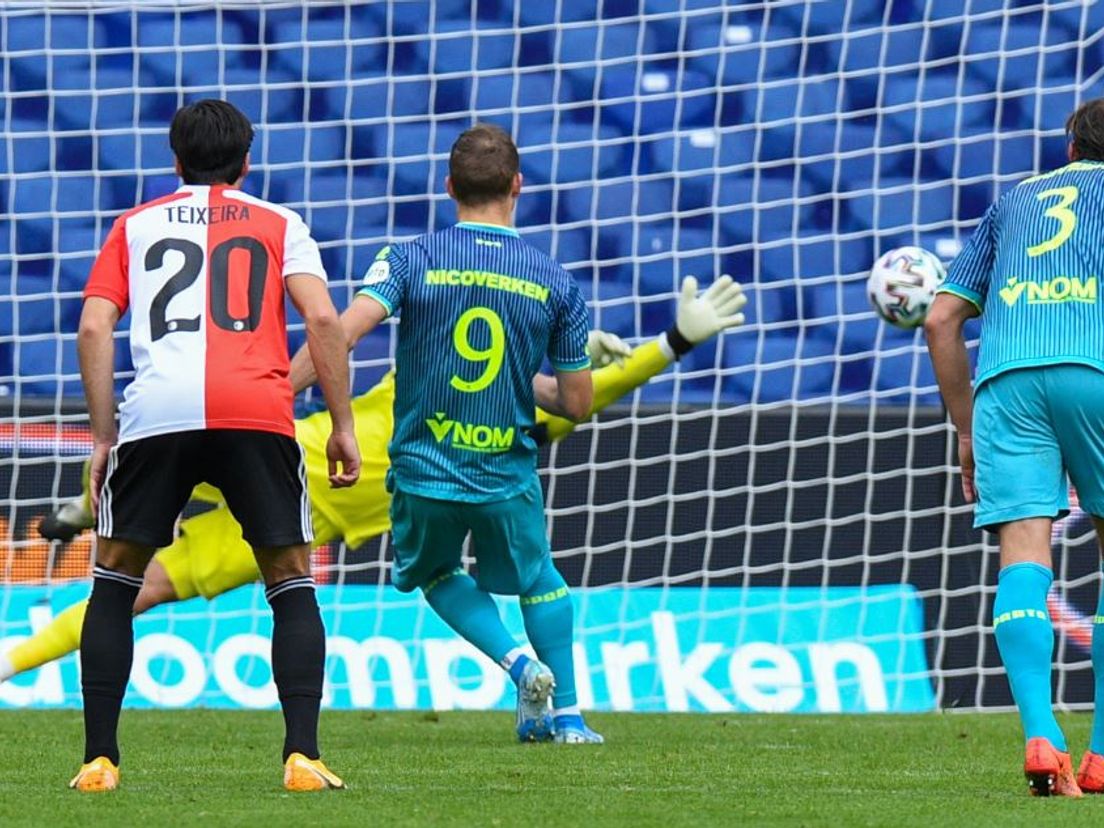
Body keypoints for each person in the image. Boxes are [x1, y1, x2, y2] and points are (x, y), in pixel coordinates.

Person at [10, 281, 740, 693]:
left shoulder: (495, 410)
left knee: (134, 587)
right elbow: (583, 389)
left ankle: (10, 658)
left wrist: (661, 346)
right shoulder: (440, 388)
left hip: (295, 511)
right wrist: (657, 347)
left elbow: (592, 392)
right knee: (139, 467)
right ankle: (83, 506)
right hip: (278, 460)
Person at [287, 123, 746, 744]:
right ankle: (571, 717)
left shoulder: (411, 257)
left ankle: (517, 665)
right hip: (504, 469)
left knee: (436, 574)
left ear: (449, 186)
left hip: (424, 466)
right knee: (540, 581)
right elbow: (576, 405)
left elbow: (339, 333)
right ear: (518, 186)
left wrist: (280, 391)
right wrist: (545, 375)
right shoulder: (555, 282)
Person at [70, 99, 360, 793]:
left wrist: (105, 434)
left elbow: (91, 329)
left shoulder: (133, 226)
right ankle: (302, 758)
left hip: (157, 413)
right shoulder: (280, 222)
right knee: (289, 579)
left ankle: (99, 761)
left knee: (114, 581)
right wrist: (342, 425)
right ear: (247, 162)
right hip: (255, 411)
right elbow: (322, 318)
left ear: (175, 162)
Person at [925, 97, 1104, 798]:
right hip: (1094, 368)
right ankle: (1100, 758)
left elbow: (942, 320)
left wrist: (967, 428)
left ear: (1070, 152)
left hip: (1005, 384)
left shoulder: (1013, 200)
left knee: (1023, 557)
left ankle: (1040, 735)